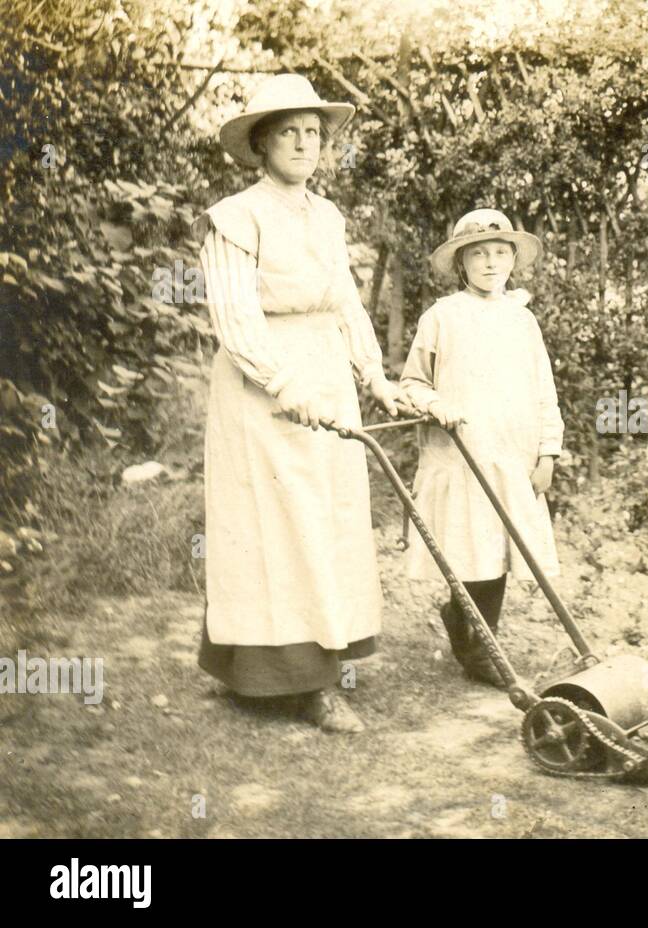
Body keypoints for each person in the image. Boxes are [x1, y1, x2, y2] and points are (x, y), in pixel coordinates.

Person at [192, 74, 406, 732]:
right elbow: (236, 322)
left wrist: (374, 375)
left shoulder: (327, 216)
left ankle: (320, 663)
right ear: (260, 143)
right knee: (271, 527)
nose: (305, 143)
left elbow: (344, 302)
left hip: (328, 383)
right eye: (289, 131)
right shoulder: (235, 218)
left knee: (330, 520)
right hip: (265, 391)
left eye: (314, 132)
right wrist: (287, 387)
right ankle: (298, 684)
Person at [400, 209, 563, 687]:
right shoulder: (441, 318)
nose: (490, 263)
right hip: (460, 455)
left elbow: (544, 390)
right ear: (461, 264)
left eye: (499, 253)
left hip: (512, 455)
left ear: (512, 259)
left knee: (499, 552)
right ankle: (476, 642)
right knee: (468, 548)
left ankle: (477, 637)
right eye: (478, 255)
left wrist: (547, 453)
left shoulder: (523, 321)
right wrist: (435, 403)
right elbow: (411, 383)